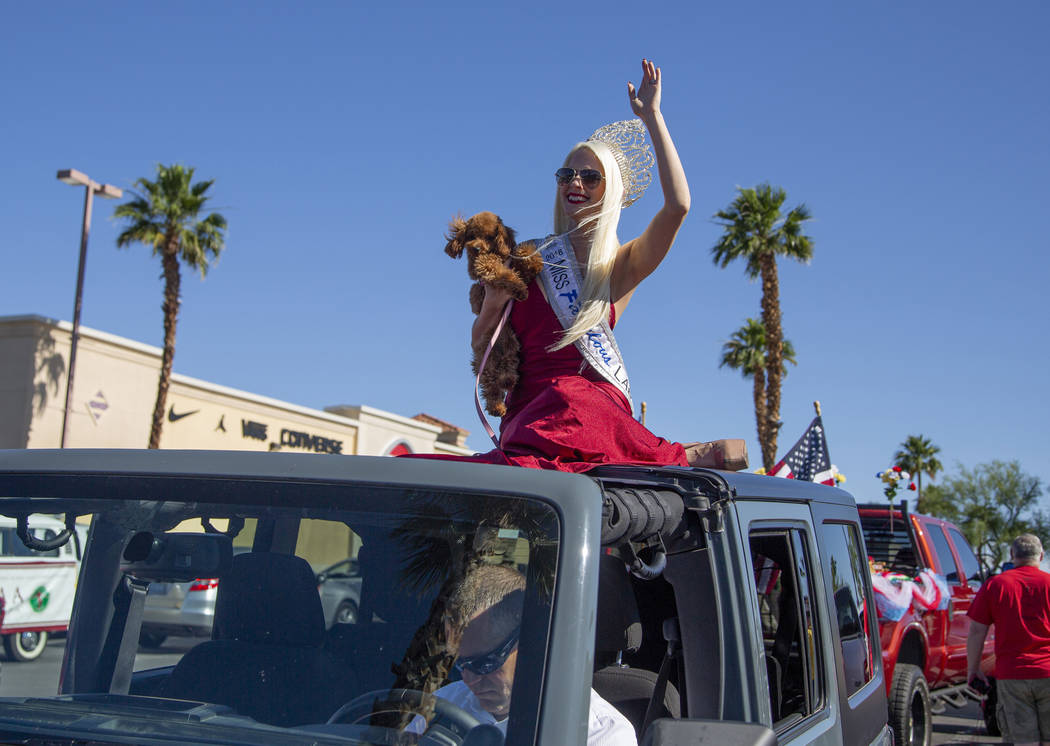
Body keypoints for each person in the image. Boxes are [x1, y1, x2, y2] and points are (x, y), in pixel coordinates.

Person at [461, 59, 690, 473]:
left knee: (573, 395)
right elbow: (482, 344)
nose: (575, 184)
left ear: (611, 189)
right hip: (531, 416)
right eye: (567, 174)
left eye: (590, 176)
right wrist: (493, 301)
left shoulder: (620, 266)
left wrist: (653, 117)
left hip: (589, 417)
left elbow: (678, 207)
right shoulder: (529, 256)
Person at [409, 564, 637, 744]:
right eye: (460, 663)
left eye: (484, 663)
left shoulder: (600, 734)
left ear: (530, 644)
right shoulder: (445, 704)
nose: (469, 680)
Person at [967, 533, 1050, 746]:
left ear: (1012, 555)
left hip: (1012, 675)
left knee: (1023, 741)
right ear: (1041, 555)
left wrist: (973, 669)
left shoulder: (996, 585)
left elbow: (977, 631)